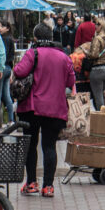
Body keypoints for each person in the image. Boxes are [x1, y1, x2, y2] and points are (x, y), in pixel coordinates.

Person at [14, 23, 75, 198]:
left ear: (35, 38)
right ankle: (48, 186)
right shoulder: (63, 56)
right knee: (49, 146)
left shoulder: (32, 53)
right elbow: (71, 81)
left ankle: (32, 183)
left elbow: (19, 71)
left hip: (32, 108)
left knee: (31, 145)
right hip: (55, 107)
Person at [80, 16, 105, 110]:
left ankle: (102, 118)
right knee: (101, 95)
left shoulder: (97, 38)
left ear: (102, 26)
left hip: (97, 69)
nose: (95, 26)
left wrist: (86, 52)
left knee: (98, 97)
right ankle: (104, 115)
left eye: (98, 24)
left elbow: (94, 55)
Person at [0, 21, 17, 124]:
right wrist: (11, 72)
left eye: (2, 26)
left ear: (8, 28)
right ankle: (11, 120)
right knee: (7, 95)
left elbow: (1, 55)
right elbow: (12, 57)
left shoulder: (2, 39)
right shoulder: (11, 39)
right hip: (8, 69)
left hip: (1, 68)